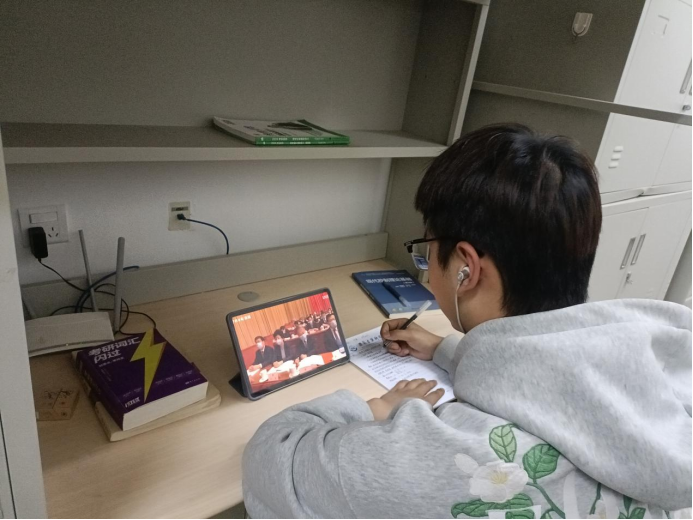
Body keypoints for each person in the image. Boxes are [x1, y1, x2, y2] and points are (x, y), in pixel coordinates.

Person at [242, 125, 693, 519]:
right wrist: (445, 349)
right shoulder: (658, 370)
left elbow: (270, 457)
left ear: (465, 268)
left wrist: (377, 407)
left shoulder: (449, 461)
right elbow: (560, 384)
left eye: (426, 250)